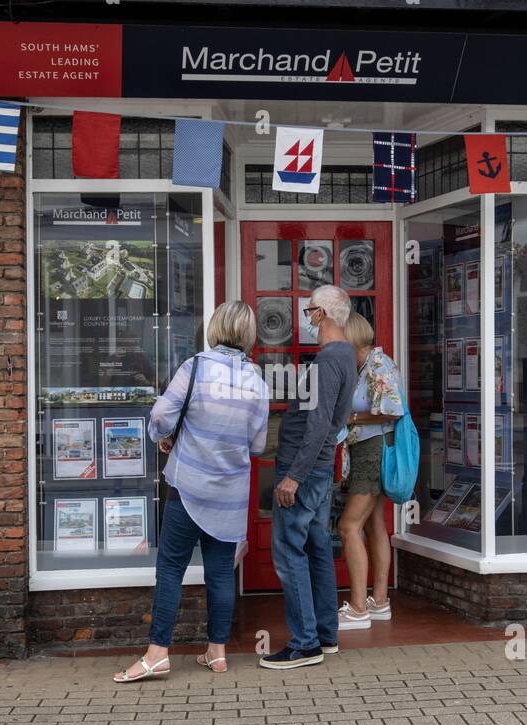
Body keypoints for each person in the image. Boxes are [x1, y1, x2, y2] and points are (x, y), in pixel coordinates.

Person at [114, 302, 269, 683]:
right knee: (220, 572)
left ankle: (156, 654)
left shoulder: (196, 367)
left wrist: (164, 437)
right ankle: (217, 652)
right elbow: (259, 443)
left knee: (170, 568)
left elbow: (162, 415)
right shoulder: (256, 380)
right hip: (230, 492)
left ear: (216, 327)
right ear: (249, 334)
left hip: (189, 487)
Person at [260, 284, 356, 670]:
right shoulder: (343, 356)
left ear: (323, 315)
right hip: (317, 467)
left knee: (289, 552)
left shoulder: (329, 359)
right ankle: (325, 635)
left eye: (309, 311)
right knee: (317, 548)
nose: (307, 319)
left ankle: (305, 644)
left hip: (304, 470)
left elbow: (318, 424)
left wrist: (293, 477)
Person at [336, 312, 404, 630]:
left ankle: (359, 608)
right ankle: (379, 602)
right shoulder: (364, 366)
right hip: (366, 449)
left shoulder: (379, 365)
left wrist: (352, 419)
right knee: (375, 524)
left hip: (373, 450)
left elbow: (391, 411)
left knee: (348, 527)